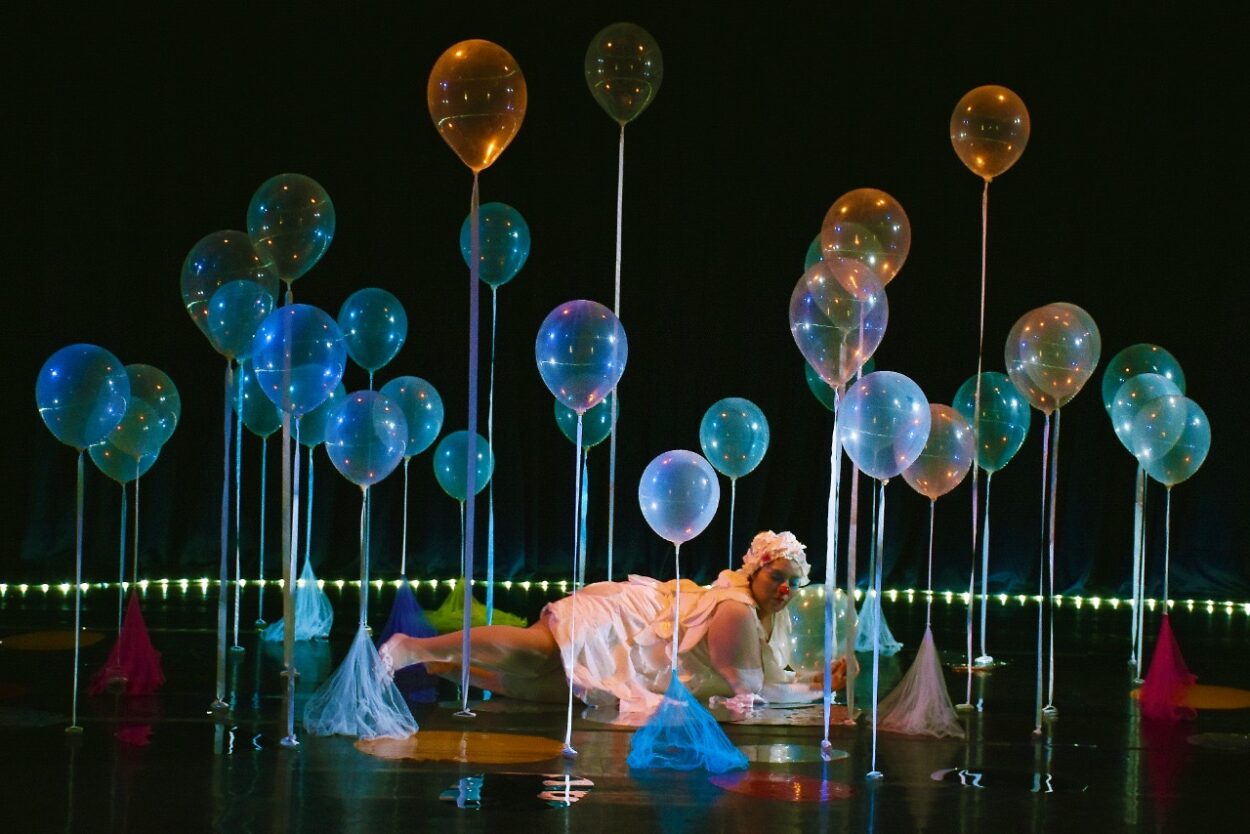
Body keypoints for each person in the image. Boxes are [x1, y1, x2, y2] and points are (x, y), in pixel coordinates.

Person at [379, 530, 847, 714]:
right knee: (540, 653)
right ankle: (413, 648)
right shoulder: (737, 609)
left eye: (793, 583)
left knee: (557, 690)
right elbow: (750, 688)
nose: (785, 589)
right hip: (625, 620)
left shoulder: (771, 618)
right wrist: (813, 688)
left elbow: (768, 678)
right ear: (754, 572)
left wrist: (814, 680)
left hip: (645, 660)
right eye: (776, 577)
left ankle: (446, 666)